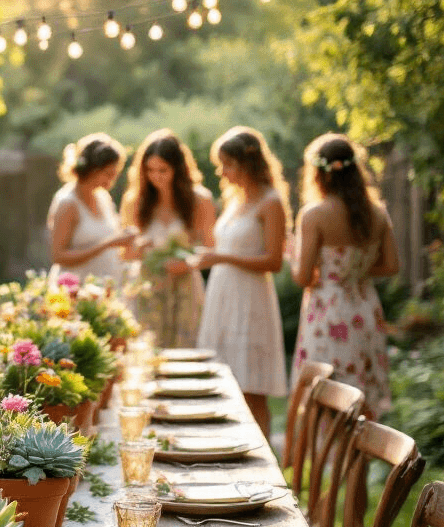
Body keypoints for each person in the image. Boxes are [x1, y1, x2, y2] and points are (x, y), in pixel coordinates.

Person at [290, 134, 399, 418]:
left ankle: (326, 460)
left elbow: (303, 277)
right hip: (364, 308)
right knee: (360, 398)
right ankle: (357, 461)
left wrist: (292, 257)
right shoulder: (377, 213)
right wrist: (356, 272)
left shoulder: (314, 214)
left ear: (318, 173)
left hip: (329, 312)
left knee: (326, 392)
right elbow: (391, 266)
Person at [195, 127, 288, 438]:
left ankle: (264, 465)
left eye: (228, 164)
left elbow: (274, 261)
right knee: (222, 382)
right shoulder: (235, 200)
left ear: (247, 163)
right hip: (223, 296)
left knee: (251, 386)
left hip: (251, 300)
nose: (222, 172)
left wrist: (221, 258)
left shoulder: (271, 202)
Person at [119, 129, 216, 348]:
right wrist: (140, 249)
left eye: (163, 170)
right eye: (150, 170)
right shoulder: (134, 200)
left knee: (187, 351)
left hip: (185, 289)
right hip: (147, 288)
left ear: (178, 169)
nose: (156, 177)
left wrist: (188, 261)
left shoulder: (200, 199)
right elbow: (125, 254)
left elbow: (210, 249)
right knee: (148, 352)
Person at [47, 133, 138, 286]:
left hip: (105, 289)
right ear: (92, 169)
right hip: (76, 291)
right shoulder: (68, 203)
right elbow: (59, 256)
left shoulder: (103, 197)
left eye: (116, 173)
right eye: (108, 173)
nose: (113, 179)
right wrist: (107, 244)